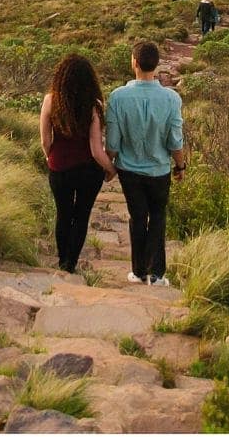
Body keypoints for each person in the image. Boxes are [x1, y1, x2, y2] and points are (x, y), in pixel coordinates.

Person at [103, 41, 186, 286]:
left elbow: (113, 145)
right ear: (156, 64)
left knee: (137, 217)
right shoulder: (171, 99)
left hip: (130, 170)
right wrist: (180, 166)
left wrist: (106, 168)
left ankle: (138, 271)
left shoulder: (118, 97)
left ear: (134, 63)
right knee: (158, 217)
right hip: (159, 170)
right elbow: (175, 140)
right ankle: (157, 274)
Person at [40, 54, 115, 274]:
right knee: (81, 216)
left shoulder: (50, 101)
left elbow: (45, 140)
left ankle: (62, 260)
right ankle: (70, 263)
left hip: (59, 167)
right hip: (88, 171)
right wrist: (111, 169)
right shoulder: (94, 105)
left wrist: (49, 156)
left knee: (63, 214)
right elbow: (95, 149)